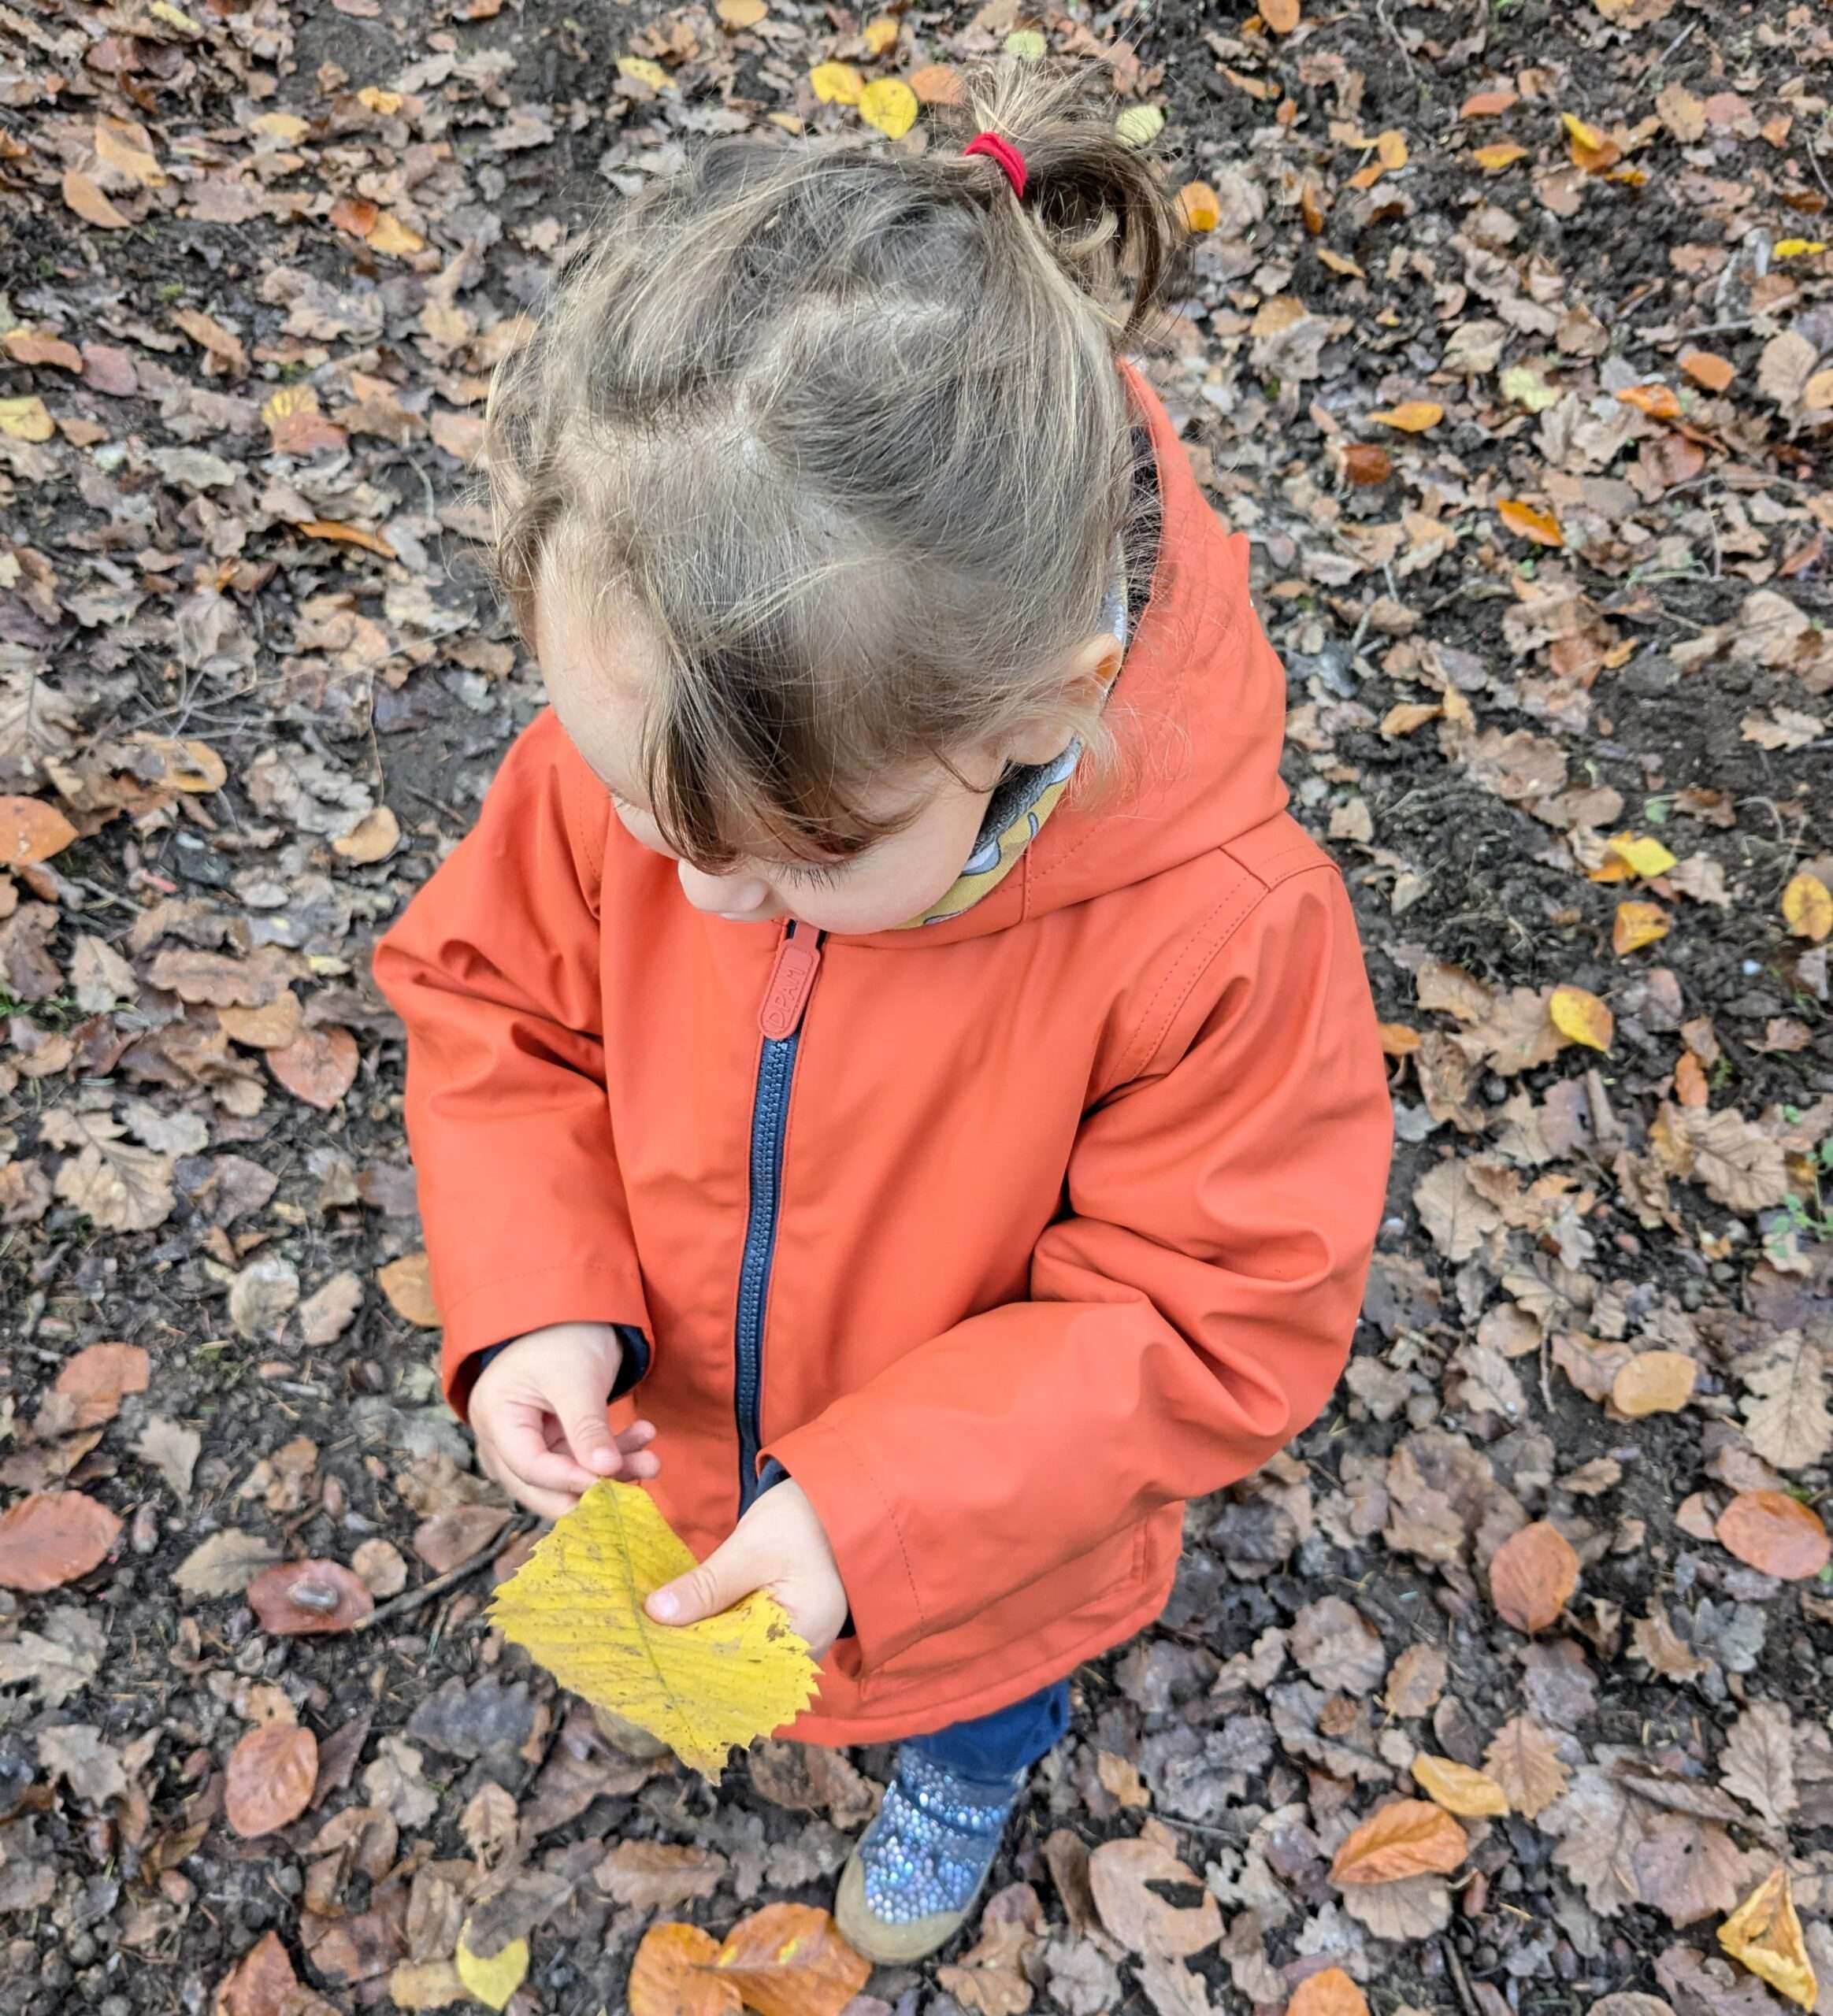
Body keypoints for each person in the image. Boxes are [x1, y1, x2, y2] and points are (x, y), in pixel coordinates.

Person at [373, 59, 1392, 1965]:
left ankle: (963, 1770)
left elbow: (1213, 1300)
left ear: (1040, 716)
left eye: (797, 857)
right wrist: (534, 1290)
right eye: (640, 817)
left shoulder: (1215, 931)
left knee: (972, 1686)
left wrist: (881, 1501)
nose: (694, 895)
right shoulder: (676, 744)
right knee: (723, 1632)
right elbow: (491, 994)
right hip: (682, 1438)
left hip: (987, 1549)